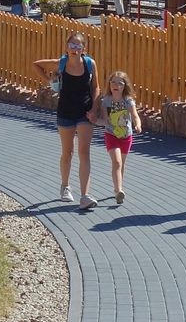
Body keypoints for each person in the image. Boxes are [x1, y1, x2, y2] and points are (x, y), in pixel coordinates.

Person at [33, 33, 98, 210]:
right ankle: (65, 186)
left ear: (84, 49)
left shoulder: (90, 64)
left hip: (85, 113)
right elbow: (36, 65)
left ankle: (85, 196)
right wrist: (49, 80)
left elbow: (96, 87)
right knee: (68, 152)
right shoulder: (60, 63)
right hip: (66, 112)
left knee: (84, 152)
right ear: (67, 47)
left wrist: (94, 109)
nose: (75, 49)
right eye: (72, 45)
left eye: (78, 46)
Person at [92, 70, 143, 204]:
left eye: (119, 83)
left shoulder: (128, 101)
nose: (115, 85)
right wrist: (94, 120)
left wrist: (138, 125)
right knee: (117, 162)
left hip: (126, 136)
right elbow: (105, 120)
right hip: (111, 134)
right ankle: (118, 190)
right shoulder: (106, 101)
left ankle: (118, 188)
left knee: (121, 163)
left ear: (124, 86)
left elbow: (135, 116)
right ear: (109, 84)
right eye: (113, 82)